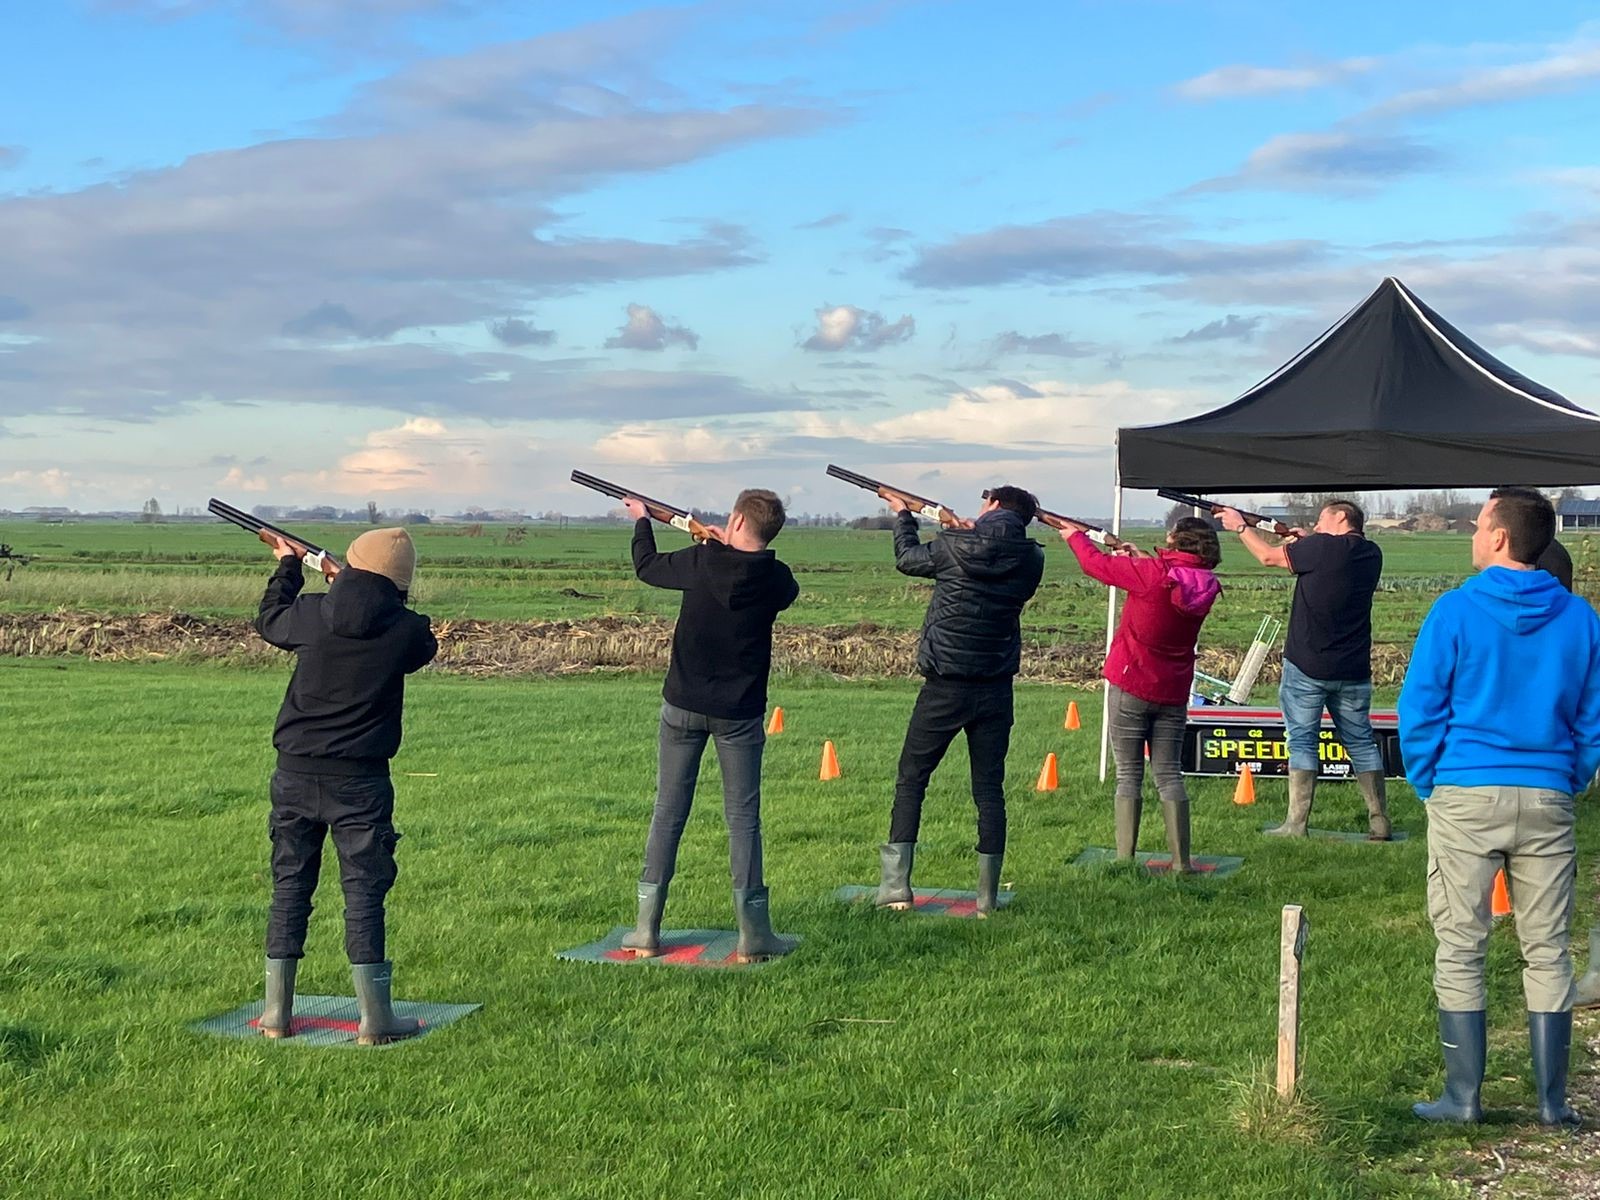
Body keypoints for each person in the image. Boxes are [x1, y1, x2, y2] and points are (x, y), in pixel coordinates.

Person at [1400, 487, 1600, 1126]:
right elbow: (1591, 717)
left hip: (1465, 791)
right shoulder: (1580, 617)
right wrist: (1571, 778)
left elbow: (1420, 708)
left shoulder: (1454, 610)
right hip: (1547, 793)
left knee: (1461, 944)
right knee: (1548, 948)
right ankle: (1552, 1102)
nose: (1472, 532)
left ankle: (1463, 1098)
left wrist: (1430, 781)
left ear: (1500, 537)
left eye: (1480, 523)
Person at [252, 528, 438, 1044]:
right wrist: (349, 584)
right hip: (361, 782)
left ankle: (275, 1015)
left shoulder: (313, 613)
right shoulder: (408, 630)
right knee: (363, 896)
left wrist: (289, 567)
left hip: (293, 773)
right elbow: (423, 646)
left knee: (290, 887)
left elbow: (270, 621)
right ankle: (375, 1020)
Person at [619, 489, 799, 963]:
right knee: (744, 820)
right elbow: (771, 582)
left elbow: (647, 565)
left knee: (667, 812)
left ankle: (645, 930)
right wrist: (718, 544)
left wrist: (643, 520)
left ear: (737, 520)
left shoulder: (701, 562)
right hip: (739, 714)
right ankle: (754, 936)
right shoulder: (777, 578)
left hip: (681, 705)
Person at [875, 487, 1045, 915]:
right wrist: (961, 531)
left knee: (912, 780)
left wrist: (903, 516)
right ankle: (987, 897)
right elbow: (992, 554)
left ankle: (896, 889)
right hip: (995, 686)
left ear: (991, 506)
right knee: (989, 790)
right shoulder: (1032, 558)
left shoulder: (954, 544)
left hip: (944, 684)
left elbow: (907, 560)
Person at [1058, 516, 1222, 871]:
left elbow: (1094, 564)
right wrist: (1136, 557)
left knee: (1128, 773)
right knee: (1169, 774)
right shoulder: (1206, 582)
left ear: (1176, 539)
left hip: (1132, 682)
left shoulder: (1152, 574)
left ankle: (1124, 859)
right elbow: (1171, 578)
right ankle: (1181, 863)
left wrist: (1075, 537)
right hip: (1174, 688)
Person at [1218, 500, 1388, 839]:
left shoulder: (1321, 547)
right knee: (1361, 743)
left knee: (1302, 743)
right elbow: (1327, 555)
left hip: (1307, 665)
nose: (1316, 522)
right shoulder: (1371, 553)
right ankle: (1379, 820)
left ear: (1340, 517)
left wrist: (1240, 527)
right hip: (1353, 667)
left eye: (1322, 517)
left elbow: (1267, 556)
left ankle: (1296, 824)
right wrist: (1305, 539)